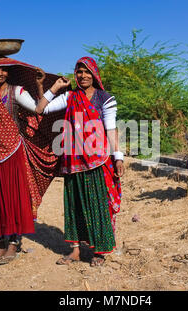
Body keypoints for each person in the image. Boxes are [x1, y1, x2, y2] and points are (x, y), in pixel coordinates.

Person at [30, 57, 124, 267]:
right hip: (73, 161)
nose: (82, 76)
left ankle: (99, 251)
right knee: (74, 205)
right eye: (79, 72)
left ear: (94, 74)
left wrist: (118, 157)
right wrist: (54, 87)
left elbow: (111, 129)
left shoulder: (105, 99)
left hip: (97, 161)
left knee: (98, 205)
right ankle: (75, 251)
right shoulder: (70, 97)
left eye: (87, 72)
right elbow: (40, 109)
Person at [0, 56, 64, 266]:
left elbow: (38, 109)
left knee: (12, 197)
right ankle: (0, 243)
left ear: (9, 73)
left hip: (13, 152)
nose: (1, 74)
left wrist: (45, 87)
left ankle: (13, 242)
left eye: (5, 70)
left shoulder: (17, 92)